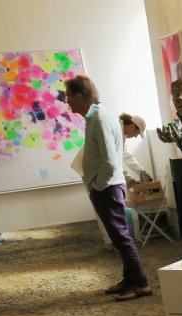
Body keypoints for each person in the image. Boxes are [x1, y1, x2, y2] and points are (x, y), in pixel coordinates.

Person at [64, 75, 151, 301]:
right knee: (119, 237)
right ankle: (129, 279)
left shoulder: (100, 119)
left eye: (69, 96)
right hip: (109, 187)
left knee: (121, 238)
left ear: (80, 96)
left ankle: (141, 284)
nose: (67, 101)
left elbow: (111, 162)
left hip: (107, 188)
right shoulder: (99, 116)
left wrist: (97, 186)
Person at [118, 113, 150, 184]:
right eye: (137, 133)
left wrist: (141, 171)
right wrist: (128, 179)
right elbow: (114, 161)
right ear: (133, 126)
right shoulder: (117, 130)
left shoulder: (122, 134)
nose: (135, 136)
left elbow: (127, 155)